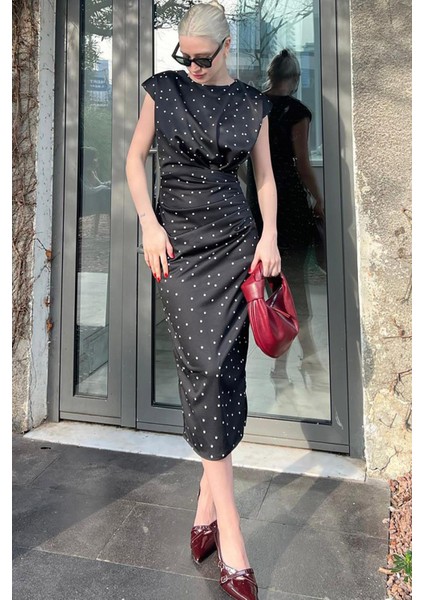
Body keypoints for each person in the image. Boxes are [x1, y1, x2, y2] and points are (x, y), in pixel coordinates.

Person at [125, 2, 280, 599]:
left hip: (236, 245)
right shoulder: (162, 91)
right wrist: (148, 223)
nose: (190, 65)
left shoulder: (252, 103)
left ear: (226, 46)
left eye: (201, 57)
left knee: (223, 374)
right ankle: (233, 538)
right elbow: (134, 159)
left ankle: (207, 506)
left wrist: (269, 236)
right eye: (183, 56)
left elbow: (263, 178)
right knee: (205, 369)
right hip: (179, 251)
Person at [245, 49, 325, 387]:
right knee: (295, 284)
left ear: (271, 75)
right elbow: (302, 164)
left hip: (257, 203)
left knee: (274, 283)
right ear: (294, 79)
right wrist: (320, 199)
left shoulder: (254, 104)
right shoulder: (297, 111)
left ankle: (287, 364)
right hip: (288, 203)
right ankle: (305, 360)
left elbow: (243, 160)